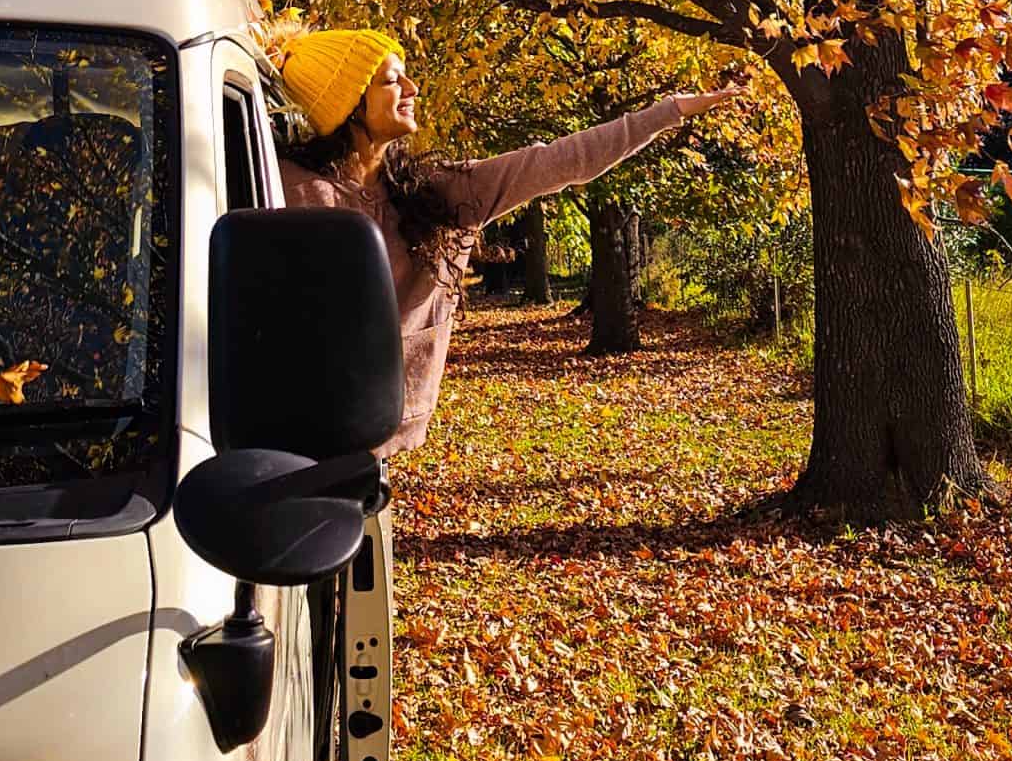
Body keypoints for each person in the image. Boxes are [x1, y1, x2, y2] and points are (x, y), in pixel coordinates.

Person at [274, 28, 743, 455]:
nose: (413, 90)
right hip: (303, 427)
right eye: (393, 81)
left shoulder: (439, 192)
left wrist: (669, 111)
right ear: (349, 101)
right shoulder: (287, 189)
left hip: (386, 429)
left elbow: (560, 161)